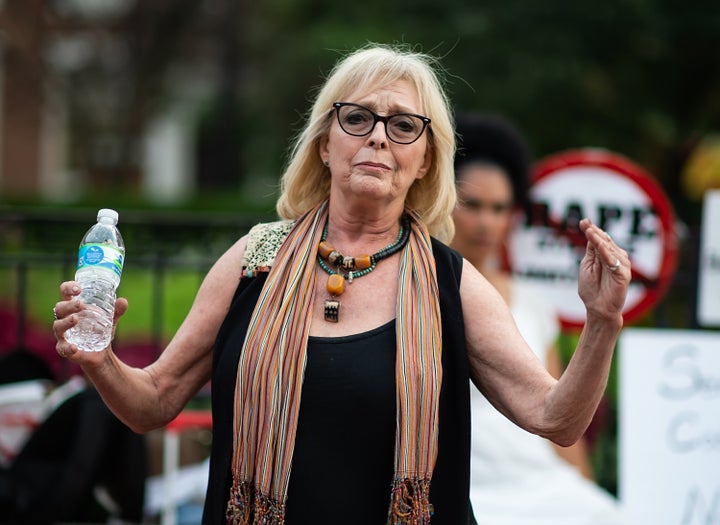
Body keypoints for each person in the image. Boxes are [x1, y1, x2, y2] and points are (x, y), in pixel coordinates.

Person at [52, 44, 631, 525]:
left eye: (404, 126)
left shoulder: (452, 285)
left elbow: (557, 418)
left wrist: (602, 321)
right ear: (325, 143)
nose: (379, 138)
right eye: (357, 118)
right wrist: (100, 358)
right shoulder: (255, 258)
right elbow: (152, 402)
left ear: (426, 159)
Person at [452, 113, 632, 524]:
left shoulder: (533, 302)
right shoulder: (420, 291)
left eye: (499, 208)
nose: (485, 222)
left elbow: (559, 410)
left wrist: (586, 492)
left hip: (538, 480)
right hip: (465, 488)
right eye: (472, 205)